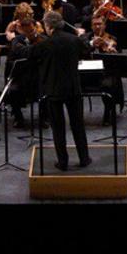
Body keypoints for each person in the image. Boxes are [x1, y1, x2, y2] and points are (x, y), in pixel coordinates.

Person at [29, 11, 92, 170]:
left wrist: (13, 40)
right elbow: (86, 49)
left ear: (48, 26)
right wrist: (82, 35)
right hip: (73, 88)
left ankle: (62, 161)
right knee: (78, 125)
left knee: (58, 128)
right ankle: (84, 158)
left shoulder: (44, 44)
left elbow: (27, 53)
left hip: (54, 90)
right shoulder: (73, 40)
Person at [84, 14, 123, 125]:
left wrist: (112, 51)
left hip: (105, 72)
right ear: (91, 26)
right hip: (88, 72)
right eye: (95, 24)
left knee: (108, 85)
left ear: (104, 25)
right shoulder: (86, 38)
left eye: (100, 24)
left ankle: (108, 112)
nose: (97, 27)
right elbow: (80, 52)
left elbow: (118, 60)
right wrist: (92, 45)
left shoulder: (112, 39)